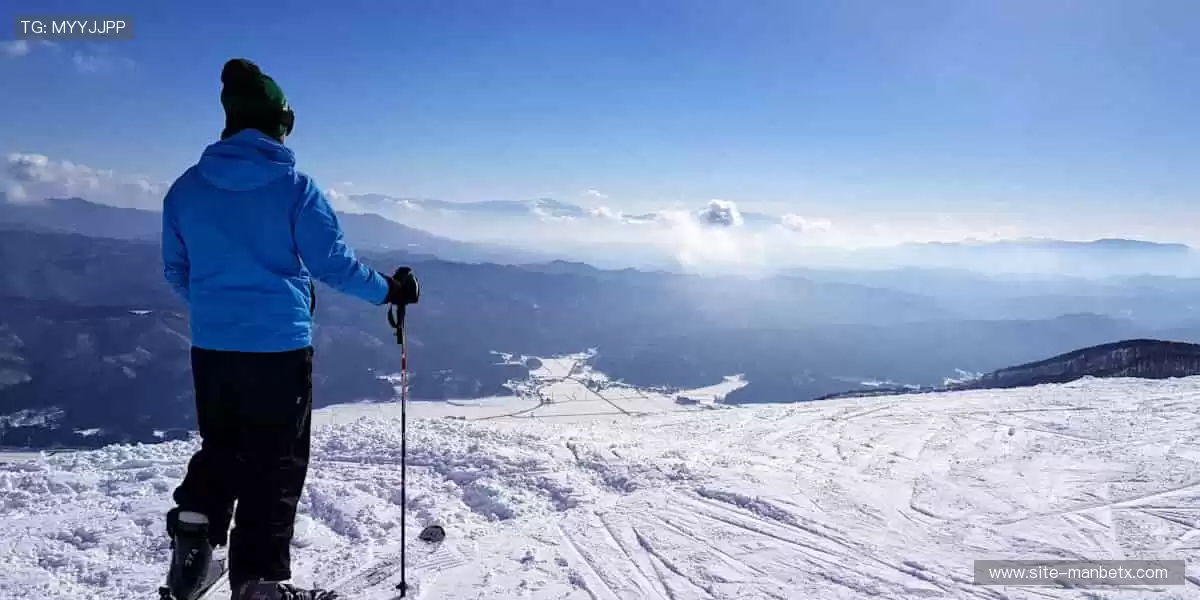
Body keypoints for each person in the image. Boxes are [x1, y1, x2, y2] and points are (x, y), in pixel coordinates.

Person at [160, 58, 419, 600]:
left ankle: (193, 539)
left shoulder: (185, 189)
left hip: (211, 346)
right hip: (278, 348)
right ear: (282, 122)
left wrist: (218, 309)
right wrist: (390, 291)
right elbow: (333, 265)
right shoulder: (294, 188)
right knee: (274, 463)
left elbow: (176, 271)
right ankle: (259, 584)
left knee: (222, 447)